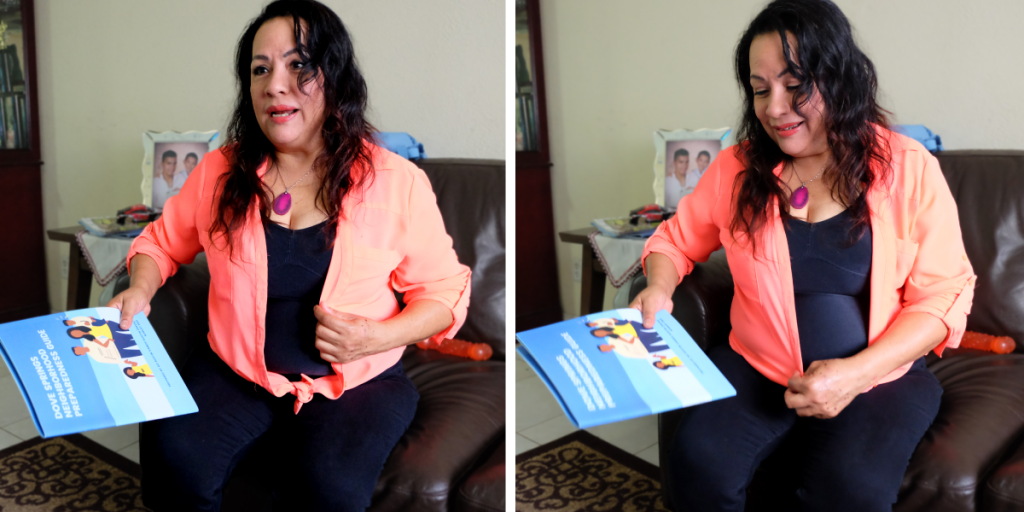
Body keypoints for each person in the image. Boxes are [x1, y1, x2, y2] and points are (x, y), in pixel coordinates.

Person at [107, 1, 470, 510]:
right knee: (174, 459)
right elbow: (161, 242)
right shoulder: (219, 171)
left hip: (356, 381)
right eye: (260, 69)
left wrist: (378, 336)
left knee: (327, 489)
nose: (274, 84)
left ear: (336, 75)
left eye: (299, 65)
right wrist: (140, 288)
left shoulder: (397, 181)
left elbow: (443, 292)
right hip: (235, 371)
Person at [629, 1, 975, 510]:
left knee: (849, 488)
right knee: (696, 461)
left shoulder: (908, 167)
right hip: (757, 365)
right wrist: (659, 286)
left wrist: (854, 375)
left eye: (795, 86)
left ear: (838, 77)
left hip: (878, 377)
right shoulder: (736, 169)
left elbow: (945, 294)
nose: (773, 107)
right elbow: (673, 241)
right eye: (761, 88)